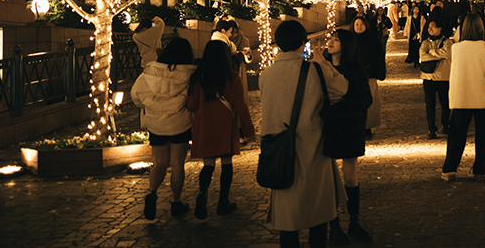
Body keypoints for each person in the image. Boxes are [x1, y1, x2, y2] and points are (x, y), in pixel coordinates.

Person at [261, 20, 348, 248]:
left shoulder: (265, 76)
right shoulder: (314, 71)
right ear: (304, 43)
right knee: (317, 214)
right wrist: (322, 63)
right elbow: (341, 89)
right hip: (313, 149)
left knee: (288, 219)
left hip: (280, 150)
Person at [186, 39, 256, 219]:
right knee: (226, 162)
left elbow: (192, 104)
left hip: (205, 124)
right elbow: (240, 106)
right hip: (225, 124)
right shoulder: (233, 77)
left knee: (208, 163)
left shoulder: (198, 77)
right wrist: (249, 132)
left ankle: (202, 192)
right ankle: (223, 202)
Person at [131, 36, 196, 220]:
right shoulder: (189, 75)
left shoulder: (149, 73)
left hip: (156, 124)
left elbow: (135, 96)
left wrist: (149, 106)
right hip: (180, 123)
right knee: (177, 164)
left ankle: (152, 193)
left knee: (159, 163)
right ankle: (176, 202)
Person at [322, 29, 374, 244]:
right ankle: (333, 224)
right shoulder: (320, 67)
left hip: (351, 127)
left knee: (350, 176)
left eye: (336, 40)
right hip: (328, 126)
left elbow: (365, 100)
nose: (331, 42)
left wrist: (342, 101)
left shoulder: (356, 70)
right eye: (331, 39)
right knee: (330, 178)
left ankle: (354, 221)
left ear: (347, 44)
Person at [441, 13, 485, 181]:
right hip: (483, 96)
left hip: (462, 96)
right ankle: (481, 169)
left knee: (457, 134)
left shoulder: (456, 48)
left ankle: (450, 169)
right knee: (483, 134)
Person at [419, 18, 452, 138]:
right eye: (428, 27)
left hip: (443, 77)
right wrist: (438, 55)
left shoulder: (448, 42)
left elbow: (447, 53)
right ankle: (431, 128)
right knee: (429, 104)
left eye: (433, 26)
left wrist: (432, 52)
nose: (430, 29)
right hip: (428, 78)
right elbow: (423, 57)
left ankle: (446, 125)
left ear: (440, 28)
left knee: (445, 103)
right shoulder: (425, 43)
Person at [353, 15, 385, 138]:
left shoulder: (373, 41)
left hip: (369, 76)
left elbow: (379, 58)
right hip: (353, 77)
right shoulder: (350, 40)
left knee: (370, 102)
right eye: (357, 25)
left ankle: (368, 127)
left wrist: (380, 73)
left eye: (361, 24)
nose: (359, 27)